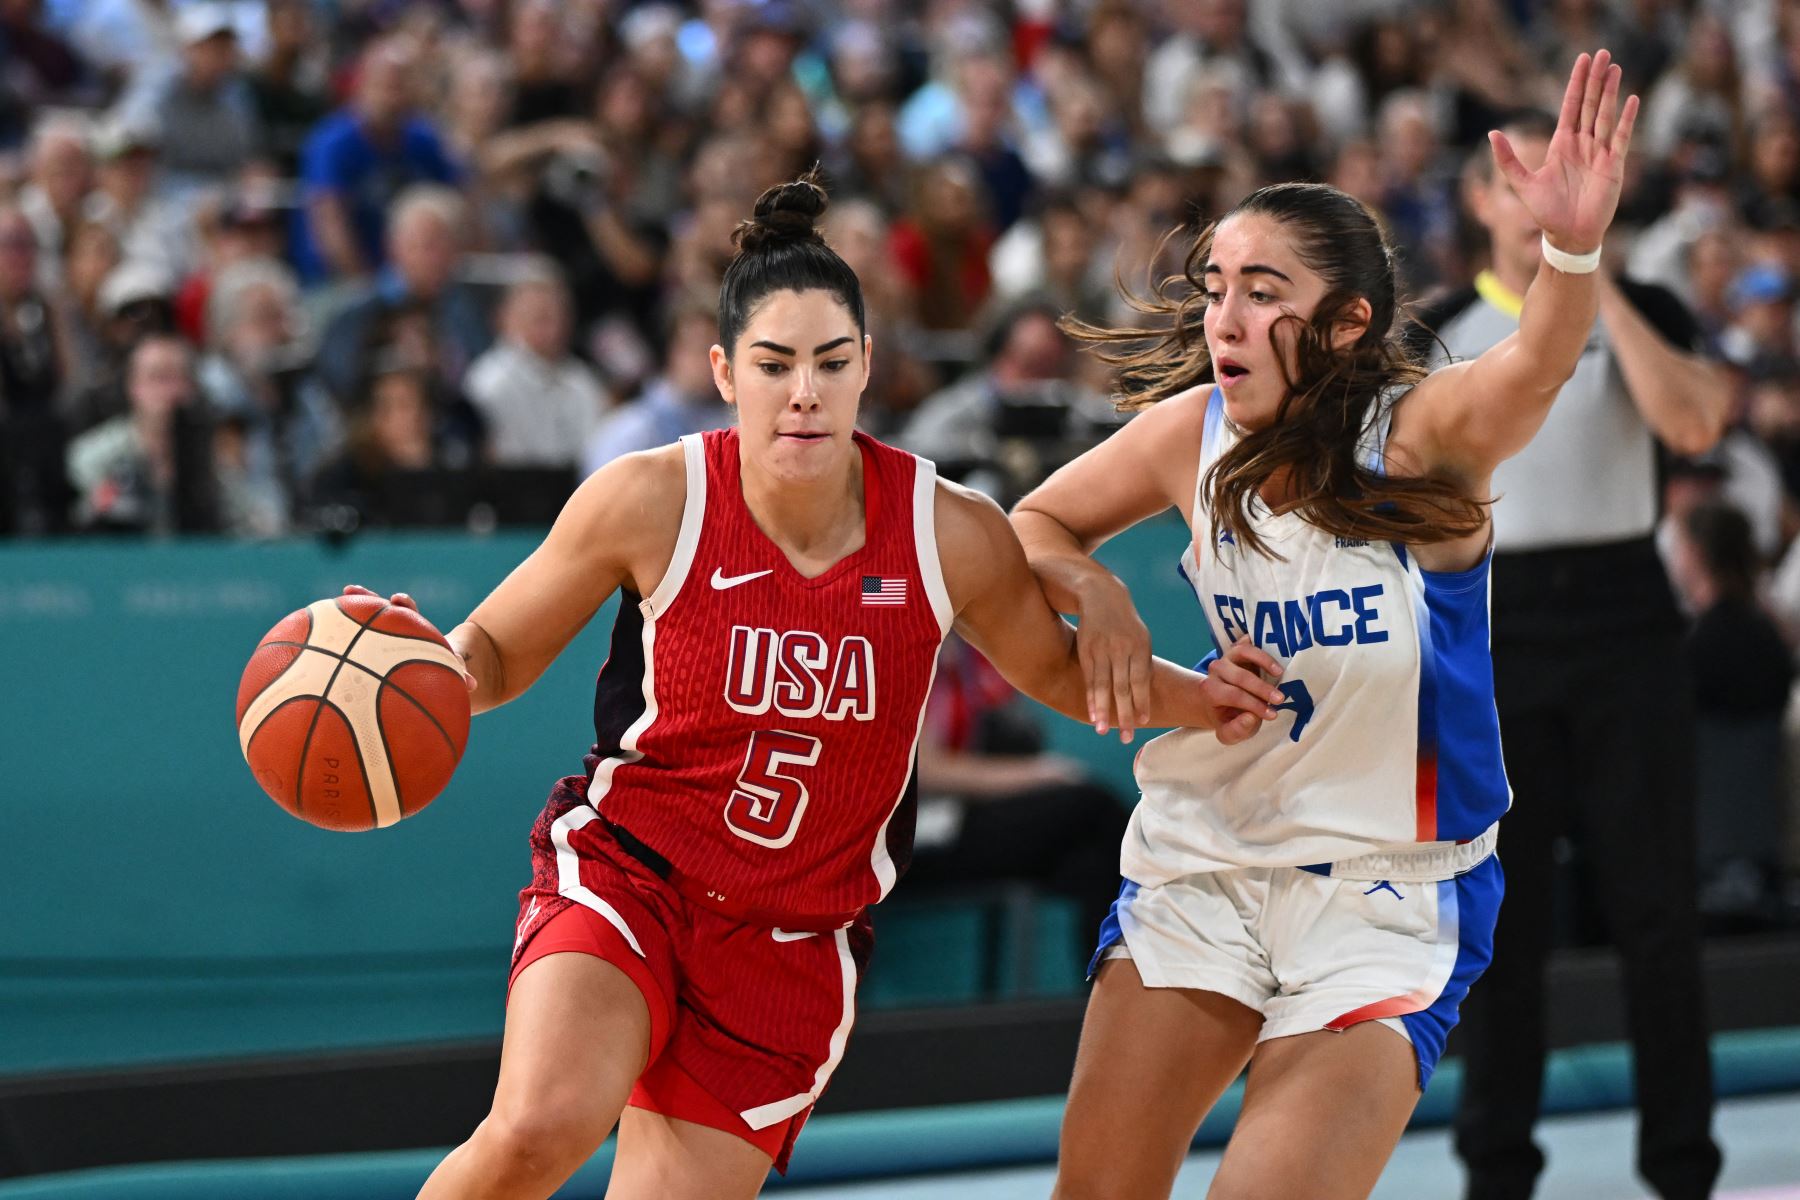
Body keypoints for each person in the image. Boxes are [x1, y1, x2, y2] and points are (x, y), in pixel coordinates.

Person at [377, 175, 1281, 1200]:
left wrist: (1206, 698)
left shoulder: (944, 529)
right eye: (773, 363)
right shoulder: (650, 497)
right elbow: (494, 651)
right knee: (543, 1125)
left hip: (794, 940)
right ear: (725, 371)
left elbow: (1063, 675)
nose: (802, 390)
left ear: (867, 371)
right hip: (634, 875)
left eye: (829, 362)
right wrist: (433, 666)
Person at [1008, 52, 1639, 1200]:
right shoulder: (1189, 433)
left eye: (1261, 290)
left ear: (1346, 322)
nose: (1223, 317)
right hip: (1208, 859)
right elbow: (1034, 522)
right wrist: (1090, 586)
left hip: (1388, 893)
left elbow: (1543, 360)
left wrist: (1571, 250)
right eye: (1215, 286)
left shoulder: (1421, 440)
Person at [1414, 109, 1731, 1200]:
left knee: (1658, 913)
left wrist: (1594, 281)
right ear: (1482, 200)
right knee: (1503, 920)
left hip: (1627, 620)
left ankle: (1684, 1170)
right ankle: (1498, 1172)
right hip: (1496, 628)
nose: (1537, 197)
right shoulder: (1443, 329)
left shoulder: (1644, 307)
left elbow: (1696, 427)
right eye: (1518, 183)